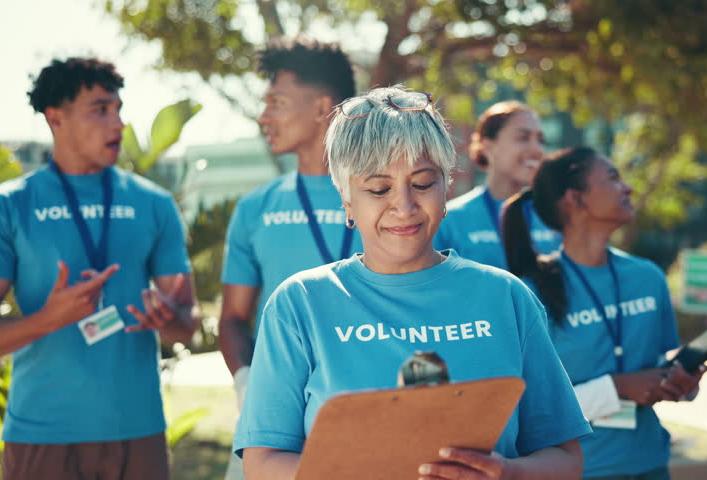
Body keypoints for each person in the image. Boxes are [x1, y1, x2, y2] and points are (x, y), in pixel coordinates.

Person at [232, 86, 591, 479]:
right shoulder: (300, 304)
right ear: (347, 199)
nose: (403, 207)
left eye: (422, 184)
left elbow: (565, 458)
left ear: (446, 186)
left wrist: (506, 473)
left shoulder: (506, 298)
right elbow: (263, 462)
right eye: (379, 189)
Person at [0, 57, 199, 480]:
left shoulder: (154, 204)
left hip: (139, 434)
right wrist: (47, 319)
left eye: (118, 109)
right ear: (55, 118)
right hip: (40, 435)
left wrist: (168, 318)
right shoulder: (5, 207)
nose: (118, 124)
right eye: (100, 110)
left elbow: (188, 323)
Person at [502, 147, 704, 479]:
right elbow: (529, 408)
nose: (628, 188)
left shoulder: (648, 277)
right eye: (613, 178)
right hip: (578, 471)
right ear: (575, 198)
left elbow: (659, 366)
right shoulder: (530, 293)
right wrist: (617, 388)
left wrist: (681, 383)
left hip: (651, 466)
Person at [217, 36, 361, 480]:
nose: (264, 116)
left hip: (363, 413)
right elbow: (233, 319)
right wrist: (248, 383)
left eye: (276, 103)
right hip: (271, 424)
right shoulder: (255, 208)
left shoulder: (388, 201)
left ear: (322, 107)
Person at [435, 101, 561, 269]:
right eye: (523, 137)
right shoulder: (450, 220)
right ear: (488, 147)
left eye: (540, 140)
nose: (537, 149)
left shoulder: (554, 216)